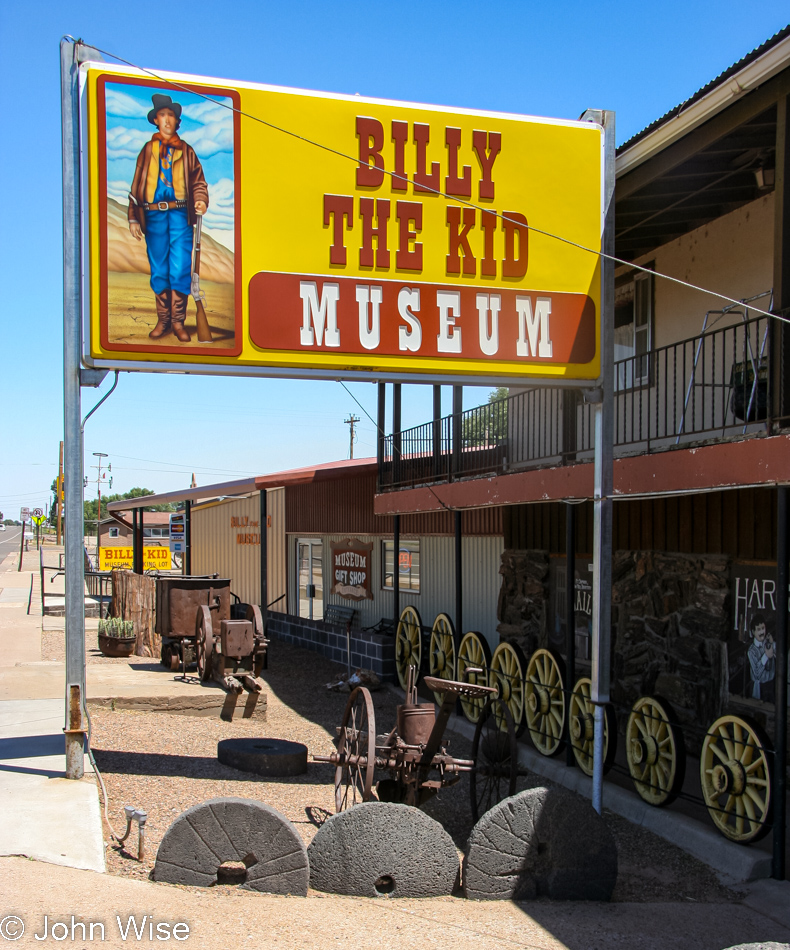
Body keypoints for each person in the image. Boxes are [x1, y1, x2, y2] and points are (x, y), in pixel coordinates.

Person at [128, 94, 209, 342]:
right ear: (156, 120)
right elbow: (137, 186)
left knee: (181, 268)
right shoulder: (147, 151)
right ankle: (163, 321)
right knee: (159, 270)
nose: (166, 120)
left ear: (177, 121)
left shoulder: (187, 151)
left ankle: (178, 323)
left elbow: (199, 181)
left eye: (171, 116)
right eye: (162, 115)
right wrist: (133, 217)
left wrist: (200, 200)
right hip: (153, 216)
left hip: (180, 215)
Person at [747, 613, 775, 701]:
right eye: (758, 629)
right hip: (759, 688)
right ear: (753, 632)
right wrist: (766, 655)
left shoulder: (768, 642)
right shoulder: (751, 651)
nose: (762, 632)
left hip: (771, 685)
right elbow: (757, 673)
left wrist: (772, 643)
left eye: (763, 628)